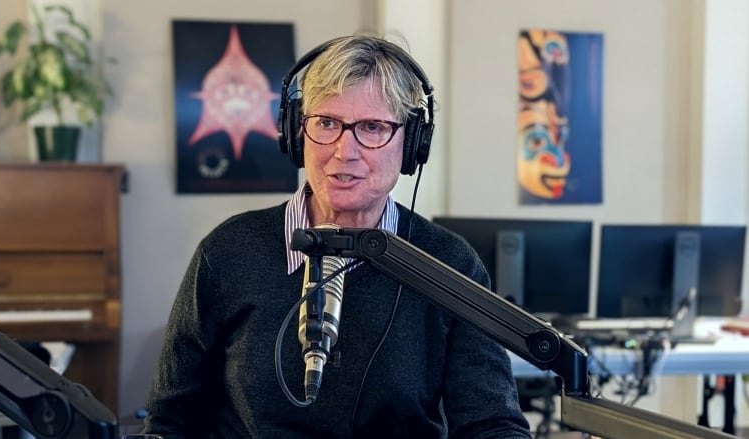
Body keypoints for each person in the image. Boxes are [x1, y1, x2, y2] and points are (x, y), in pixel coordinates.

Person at [143, 34, 532, 438]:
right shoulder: (228, 252)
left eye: (372, 127)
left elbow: (491, 423)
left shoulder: (449, 264)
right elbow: (170, 421)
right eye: (326, 123)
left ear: (412, 144)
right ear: (297, 133)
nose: (344, 151)